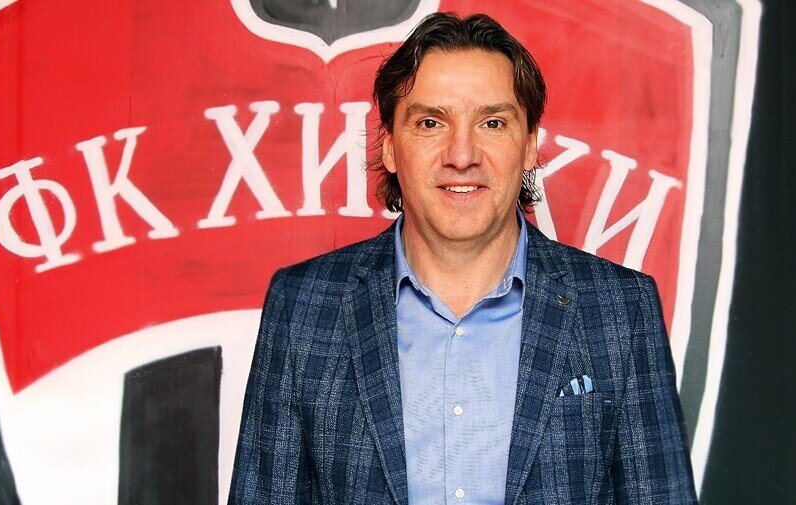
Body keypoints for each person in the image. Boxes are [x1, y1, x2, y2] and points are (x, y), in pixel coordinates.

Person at [229, 12, 697, 505]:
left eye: (492, 123)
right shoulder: (303, 306)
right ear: (390, 147)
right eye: (431, 123)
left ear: (530, 145)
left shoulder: (621, 309)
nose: (461, 154)